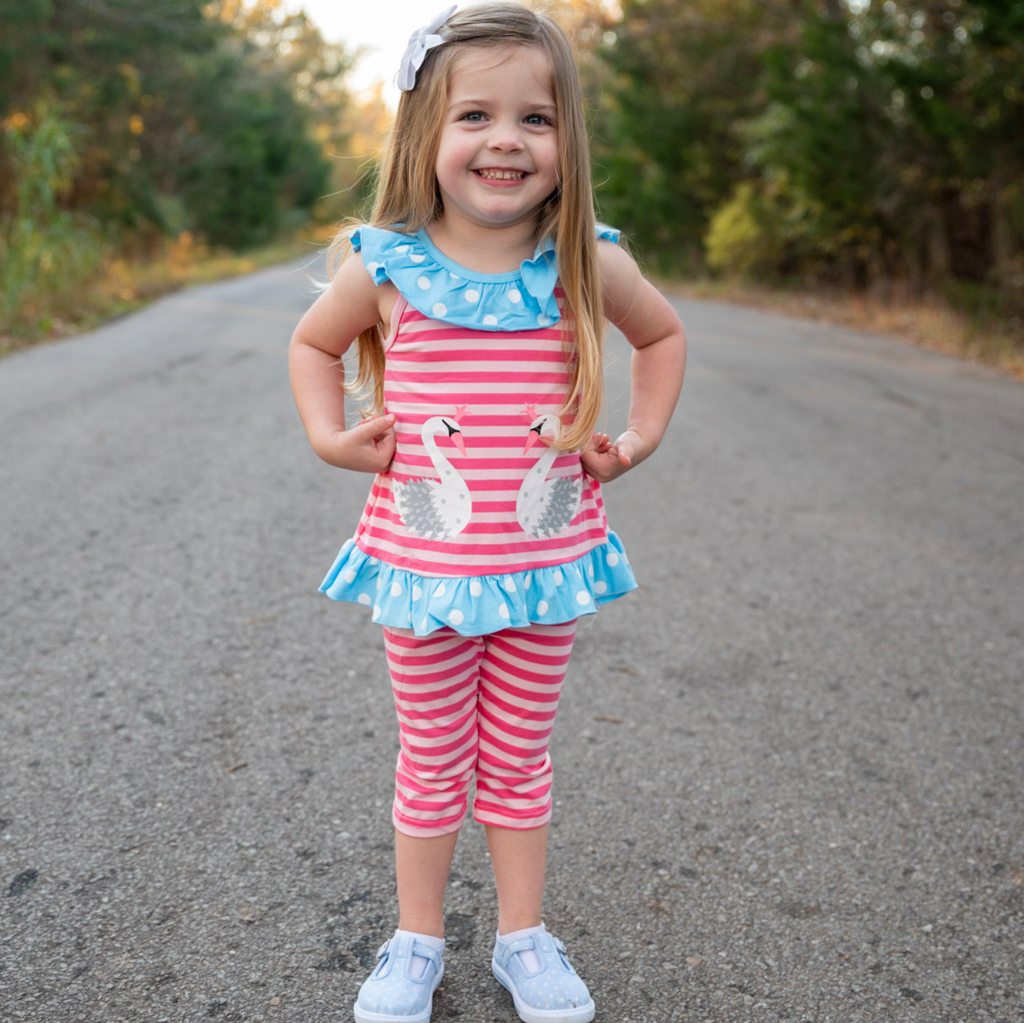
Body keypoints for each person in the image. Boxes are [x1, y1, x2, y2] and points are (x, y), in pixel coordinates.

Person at [289, 4, 686, 1022]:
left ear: (566, 143)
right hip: (421, 570)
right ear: (425, 134)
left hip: (543, 564)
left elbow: (664, 336)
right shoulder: (384, 264)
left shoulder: (583, 264)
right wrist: (332, 437)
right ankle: (416, 939)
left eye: (535, 120)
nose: (506, 137)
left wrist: (634, 440)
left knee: (516, 756)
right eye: (475, 114)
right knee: (430, 756)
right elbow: (310, 347)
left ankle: (523, 938)